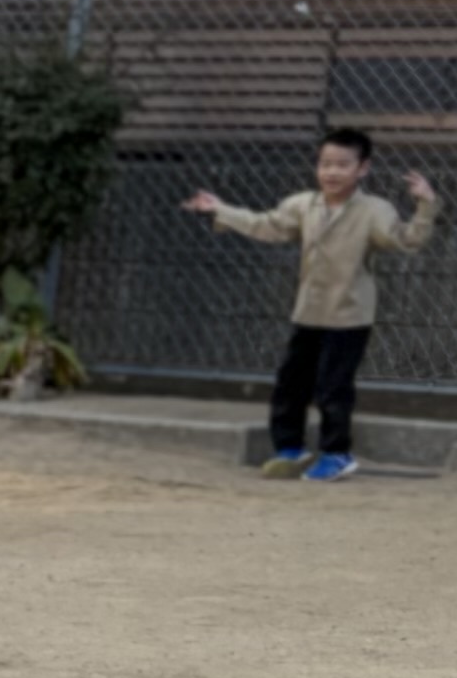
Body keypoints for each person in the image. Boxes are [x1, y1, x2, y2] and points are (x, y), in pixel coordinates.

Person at [187, 126, 442, 482]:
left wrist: (426, 204)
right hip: (308, 311)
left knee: (333, 387)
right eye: (325, 163)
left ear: (362, 169)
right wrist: (221, 210)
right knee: (291, 382)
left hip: (349, 315)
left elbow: (406, 240)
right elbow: (267, 225)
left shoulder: (373, 210)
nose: (331, 172)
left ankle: (337, 453)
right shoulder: (303, 205)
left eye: (342, 164)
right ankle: (291, 449)